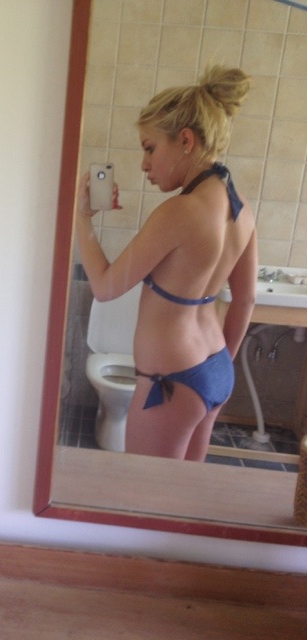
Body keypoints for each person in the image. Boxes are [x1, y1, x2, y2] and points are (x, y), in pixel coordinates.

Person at [76, 65, 258, 461]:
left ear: (186, 140)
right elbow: (245, 300)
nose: (145, 164)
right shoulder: (241, 209)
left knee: (147, 493)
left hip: (171, 379)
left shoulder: (179, 212)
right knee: (184, 492)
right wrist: (218, 368)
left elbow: (105, 287)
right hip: (215, 367)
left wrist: (82, 217)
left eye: (150, 148)